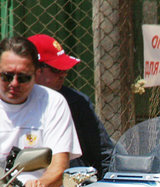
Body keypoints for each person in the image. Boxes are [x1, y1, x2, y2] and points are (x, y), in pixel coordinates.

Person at [0, 36, 80, 187]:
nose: (14, 83)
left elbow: (58, 167)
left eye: (23, 78)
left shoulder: (53, 102)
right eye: (7, 76)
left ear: (36, 74)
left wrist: (41, 184)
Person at [28, 34, 113, 178]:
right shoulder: (8, 105)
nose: (63, 75)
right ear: (34, 69)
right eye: (56, 70)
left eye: (65, 70)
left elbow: (103, 153)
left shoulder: (76, 102)